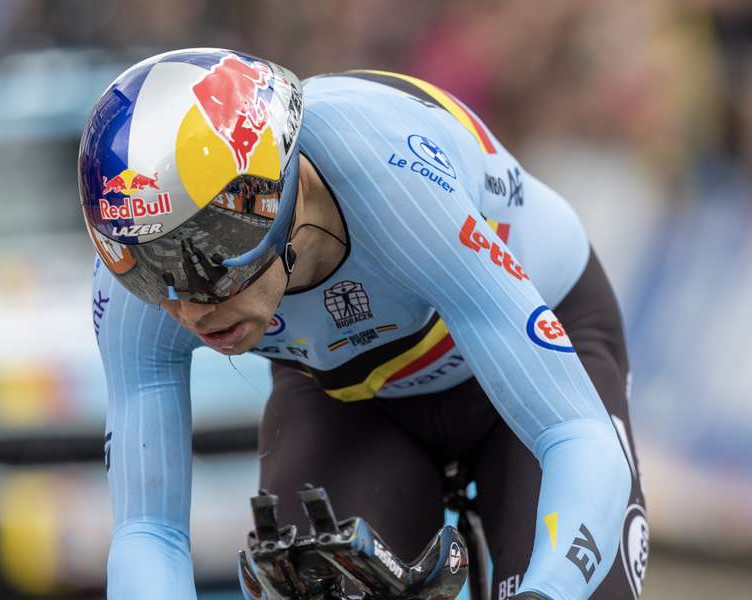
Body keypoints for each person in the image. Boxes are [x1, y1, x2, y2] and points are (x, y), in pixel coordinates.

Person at [78, 48, 648, 600]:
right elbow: (148, 532)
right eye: (149, 275)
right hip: (348, 393)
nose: (190, 308)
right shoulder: (134, 258)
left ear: (278, 197)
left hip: (534, 345)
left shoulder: (392, 178)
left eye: (208, 259)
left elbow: (576, 436)